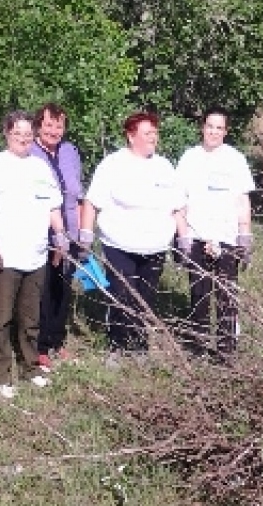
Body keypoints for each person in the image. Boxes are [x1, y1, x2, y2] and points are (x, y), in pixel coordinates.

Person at [79, 111, 187, 363]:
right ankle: (116, 346)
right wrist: (85, 235)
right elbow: (92, 202)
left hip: (155, 246)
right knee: (122, 294)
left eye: (155, 133)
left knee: (145, 297)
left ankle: (139, 346)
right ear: (131, 136)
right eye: (148, 133)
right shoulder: (113, 165)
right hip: (119, 244)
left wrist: (183, 240)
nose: (154, 137)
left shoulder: (164, 167)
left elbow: (178, 205)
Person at [0, 111, 69, 399]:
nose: (24, 140)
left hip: (37, 254)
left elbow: (54, 207)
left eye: (29, 135)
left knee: (31, 318)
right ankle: (0, 375)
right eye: (18, 134)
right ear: (7, 133)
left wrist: (61, 236)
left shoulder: (41, 169)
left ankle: (31, 367)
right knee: (1, 318)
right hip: (5, 255)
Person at [175, 107, 255, 360]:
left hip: (227, 237)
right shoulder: (190, 158)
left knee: (226, 295)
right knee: (199, 293)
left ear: (226, 131)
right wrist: (183, 235)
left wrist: (245, 235)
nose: (214, 132)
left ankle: (226, 349)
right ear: (202, 127)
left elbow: (243, 199)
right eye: (210, 126)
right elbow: (180, 198)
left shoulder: (235, 159)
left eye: (219, 128)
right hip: (197, 235)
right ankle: (197, 346)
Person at [30, 103, 83, 373]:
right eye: (48, 124)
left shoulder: (70, 152)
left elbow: (79, 194)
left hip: (70, 233)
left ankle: (57, 340)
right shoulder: (29, 152)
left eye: (59, 125)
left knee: (63, 291)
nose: (54, 130)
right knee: (42, 292)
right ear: (39, 125)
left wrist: (83, 234)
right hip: (42, 234)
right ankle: (39, 347)